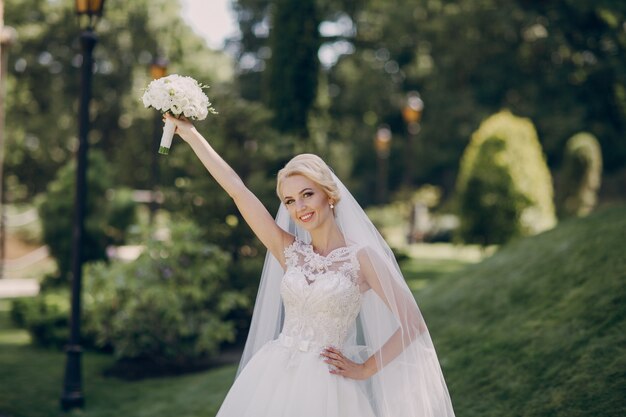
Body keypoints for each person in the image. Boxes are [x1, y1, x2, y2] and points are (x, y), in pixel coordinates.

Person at [166, 113, 456, 417]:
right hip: (273, 375)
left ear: (328, 195)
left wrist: (366, 368)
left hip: (327, 388)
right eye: (289, 201)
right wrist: (191, 135)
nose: (300, 207)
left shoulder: (362, 259)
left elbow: (413, 323)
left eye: (307, 194)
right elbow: (237, 191)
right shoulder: (289, 250)